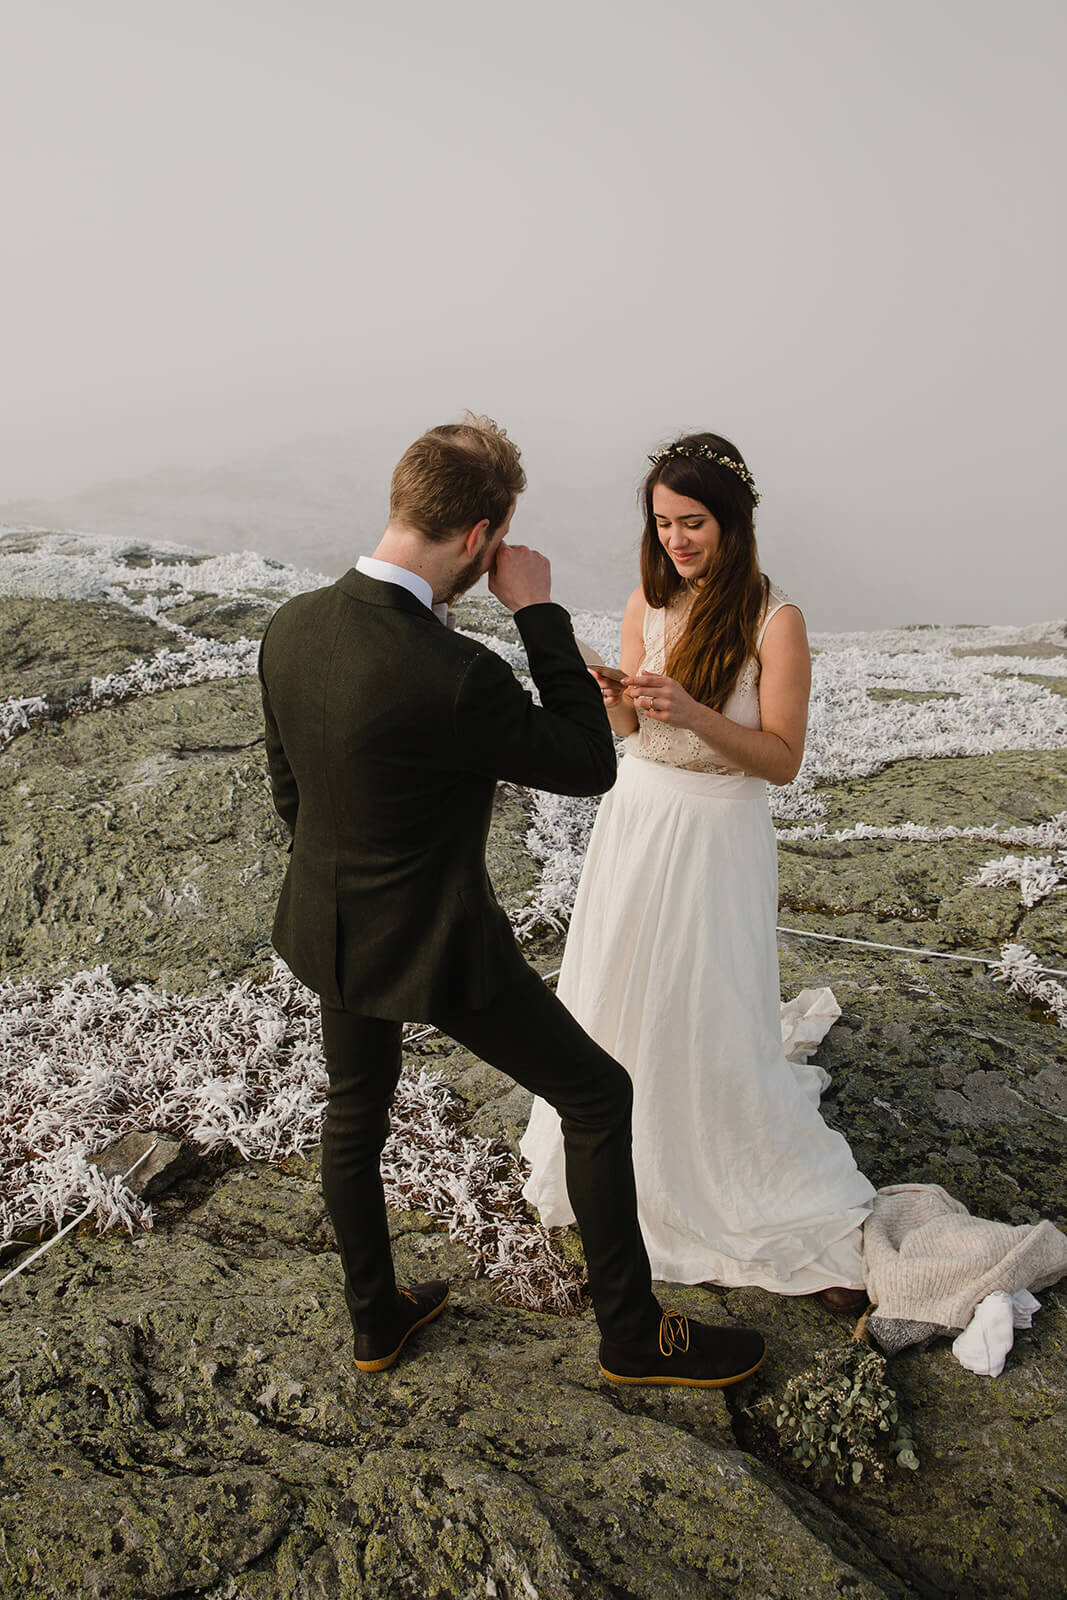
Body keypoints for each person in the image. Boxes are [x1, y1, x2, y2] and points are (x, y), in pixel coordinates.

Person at [258, 414, 765, 1385]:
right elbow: (584, 762)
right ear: (483, 538)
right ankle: (628, 1332)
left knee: (355, 1112)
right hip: (441, 944)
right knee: (595, 1092)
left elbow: (293, 793)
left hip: (329, 928)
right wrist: (534, 610)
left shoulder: (292, 626)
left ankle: (376, 1321)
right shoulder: (458, 674)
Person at [520, 433, 875, 1307]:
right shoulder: (647, 596)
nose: (676, 540)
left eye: (692, 523)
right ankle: (611, 1154)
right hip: (638, 817)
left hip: (716, 831)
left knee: (701, 995)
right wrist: (618, 706)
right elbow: (638, 740)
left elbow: (780, 759)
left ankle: (716, 1164)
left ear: (733, 522)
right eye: (663, 523)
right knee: (620, 986)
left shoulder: (774, 619)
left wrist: (695, 710)